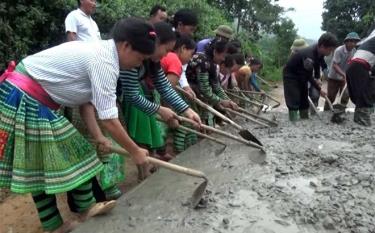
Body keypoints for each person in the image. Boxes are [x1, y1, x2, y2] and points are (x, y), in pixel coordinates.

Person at [0, 18, 155, 233]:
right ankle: (83, 211)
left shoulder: (102, 51)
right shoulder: (105, 62)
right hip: (25, 97)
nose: (139, 65)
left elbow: (86, 104)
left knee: (38, 167)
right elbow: (109, 119)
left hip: (28, 96)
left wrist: (99, 137)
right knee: (76, 154)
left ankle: (65, 219)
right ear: (126, 45)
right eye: (140, 58)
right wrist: (135, 151)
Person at [118, 22, 201, 166]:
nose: (166, 55)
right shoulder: (132, 59)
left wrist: (187, 110)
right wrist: (159, 109)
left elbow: (165, 87)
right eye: (167, 50)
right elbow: (131, 94)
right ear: (155, 43)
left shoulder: (153, 62)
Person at [283, 32, 337, 121]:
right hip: (291, 75)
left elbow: (318, 65)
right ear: (323, 46)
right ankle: (293, 122)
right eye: (330, 50)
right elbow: (308, 76)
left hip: (302, 74)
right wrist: (319, 90)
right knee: (294, 98)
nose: (331, 52)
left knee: (304, 98)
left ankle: (304, 119)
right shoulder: (309, 55)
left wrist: (320, 77)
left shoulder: (319, 51)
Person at [186, 39, 238, 126]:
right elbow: (205, 89)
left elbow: (216, 86)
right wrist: (221, 101)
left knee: (209, 118)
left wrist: (228, 101)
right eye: (223, 56)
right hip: (189, 92)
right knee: (202, 121)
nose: (223, 59)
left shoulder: (212, 63)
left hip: (199, 92)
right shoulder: (203, 61)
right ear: (215, 52)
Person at [161, 35, 198, 153]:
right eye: (191, 54)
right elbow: (165, 91)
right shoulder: (175, 61)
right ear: (182, 48)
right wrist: (169, 113)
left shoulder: (171, 57)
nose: (191, 58)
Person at [324, 32, 360, 110]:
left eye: (355, 42)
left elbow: (352, 64)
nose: (353, 44)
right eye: (351, 41)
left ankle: (341, 112)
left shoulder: (354, 51)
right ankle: (326, 111)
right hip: (334, 77)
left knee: (345, 95)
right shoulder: (339, 50)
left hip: (344, 78)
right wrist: (343, 74)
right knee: (331, 96)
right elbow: (335, 65)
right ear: (346, 42)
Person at [346, 36, 375, 126]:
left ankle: (359, 119)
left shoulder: (370, 42)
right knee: (365, 94)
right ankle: (362, 121)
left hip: (352, 67)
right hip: (359, 66)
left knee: (361, 94)